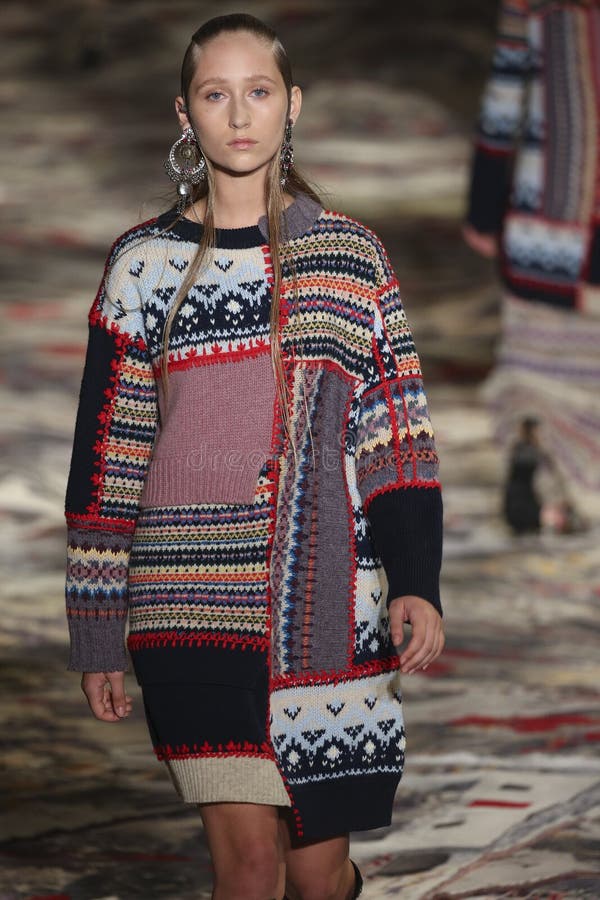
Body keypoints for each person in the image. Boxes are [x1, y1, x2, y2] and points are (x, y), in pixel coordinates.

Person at [64, 14, 445, 900]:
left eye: (260, 91)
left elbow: (395, 435)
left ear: (292, 105)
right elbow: (108, 454)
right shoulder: (143, 265)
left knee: (317, 878)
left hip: (327, 606)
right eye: (215, 93)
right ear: (185, 113)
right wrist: (95, 628)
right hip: (188, 598)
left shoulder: (349, 260)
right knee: (244, 870)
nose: (240, 114)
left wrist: (416, 577)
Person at [463, 0, 600, 530]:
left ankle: (535, 455)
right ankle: (568, 494)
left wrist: (483, 206)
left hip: (543, 227)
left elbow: (505, 104)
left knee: (533, 372)